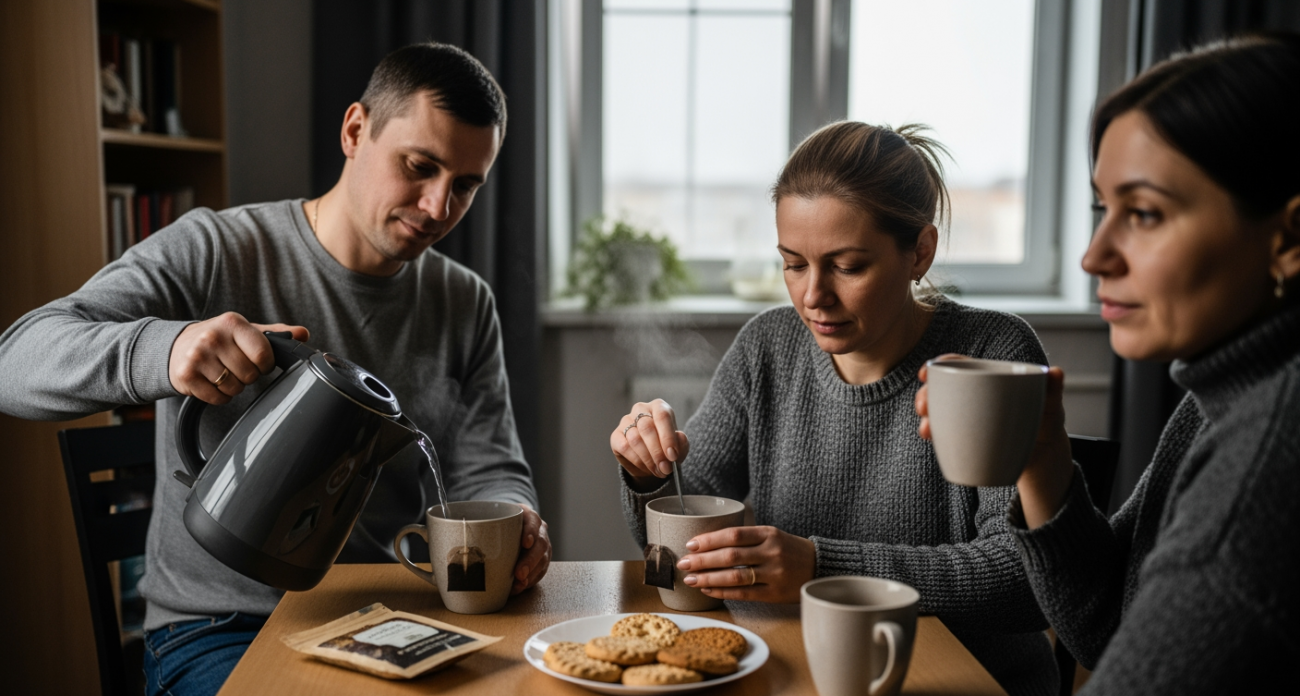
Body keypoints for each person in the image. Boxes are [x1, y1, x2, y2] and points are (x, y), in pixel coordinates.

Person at [0, 42, 552, 696]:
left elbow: (490, 463)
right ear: (355, 131)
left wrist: (516, 518)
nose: (438, 207)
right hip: (221, 630)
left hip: (390, 620)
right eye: (419, 167)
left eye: (464, 185)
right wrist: (167, 351)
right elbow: (15, 360)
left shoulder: (465, 301)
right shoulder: (215, 250)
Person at [611, 122, 1059, 696]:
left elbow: (1026, 580)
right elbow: (673, 541)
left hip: (967, 682)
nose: (813, 296)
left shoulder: (995, 353)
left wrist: (821, 568)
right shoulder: (766, 348)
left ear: (920, 253)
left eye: (847, 266)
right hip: (806, 673)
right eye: (793, 264)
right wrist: (647, 473)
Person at [916, 33, 1300, 694]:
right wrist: (1043, 461)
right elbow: (1108, 625)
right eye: (1103, 208)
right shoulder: (1217, 401)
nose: (1093, 256)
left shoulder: (1271, 448)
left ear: (1289, 239)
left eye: (1144, 213)